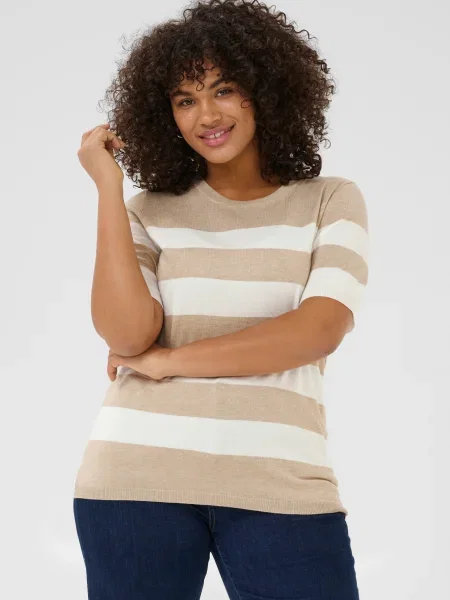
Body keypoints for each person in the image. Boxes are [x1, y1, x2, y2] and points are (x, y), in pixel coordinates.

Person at [74, 0, 369, 598]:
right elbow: (126, 336)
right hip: (135, 478)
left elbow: (317, 331)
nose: (206, 115)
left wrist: (169, 362)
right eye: (184, 99)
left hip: (281, 482)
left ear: (266, 90)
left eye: (224, 90)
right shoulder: (148, 212)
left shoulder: (328, 200)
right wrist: (109, 188)